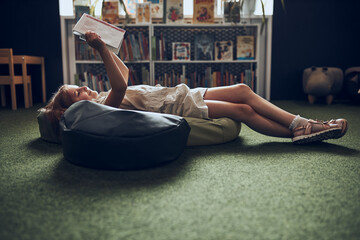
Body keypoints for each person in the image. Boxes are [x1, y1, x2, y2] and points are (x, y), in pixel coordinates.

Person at [43, 31, 348, 144]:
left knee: (242, 88)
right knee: (241, 110)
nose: (84, 88)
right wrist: (99, 50)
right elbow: (121, 85)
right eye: (77, 92)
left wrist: (107, 44)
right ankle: (304, 128)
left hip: (181, 93)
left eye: (79, 86)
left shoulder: (99, 98)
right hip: (178, 107)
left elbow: (123, 71)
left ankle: (301, 127)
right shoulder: (100, 109)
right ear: (77, 107)